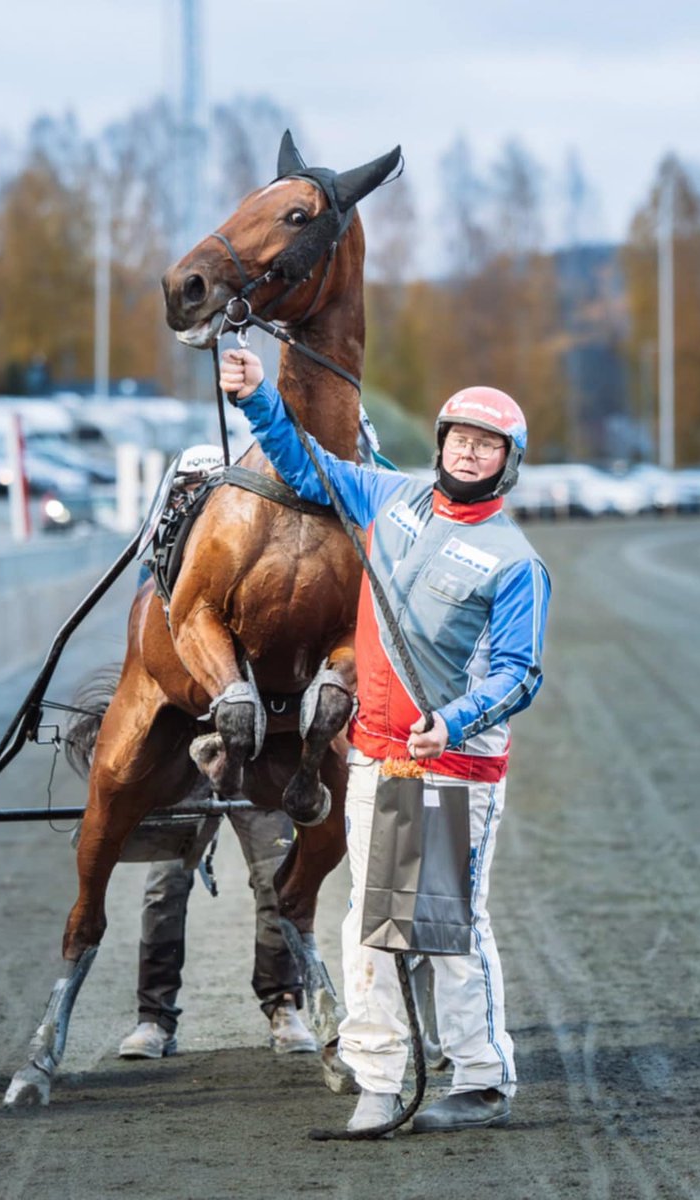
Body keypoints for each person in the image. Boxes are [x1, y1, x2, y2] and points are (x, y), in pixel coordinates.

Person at [218, 346, 551, 1135]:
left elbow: (520, 673)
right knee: (377, 917)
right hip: (373, 755)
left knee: (440, 928)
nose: (467, 451)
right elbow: (305, 468)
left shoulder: (515, 562)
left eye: (486, 443)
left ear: (506, 463)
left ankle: (475, 1078)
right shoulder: (386, 497)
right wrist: (256, 397)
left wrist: (454, 721)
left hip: (453, 764)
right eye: (459, 437)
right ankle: (382, 1077)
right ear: (439, 443)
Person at [118, 792, 319, 1059]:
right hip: (186, 772)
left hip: (256, 767)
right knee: (165, 885)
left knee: (277, 882)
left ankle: (283, 1004)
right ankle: (154, 1016)